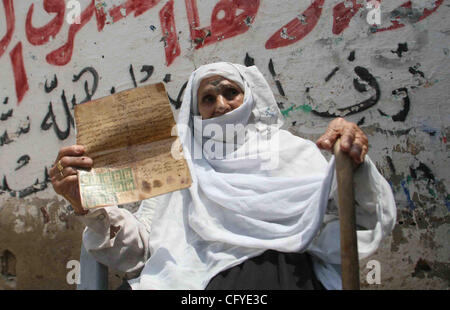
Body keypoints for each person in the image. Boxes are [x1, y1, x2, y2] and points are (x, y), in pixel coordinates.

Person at [50, 62, 396, 290]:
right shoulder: (179, 165)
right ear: (194, 112)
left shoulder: (292, 153)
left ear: (249, 99)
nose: (220, 105)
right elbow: (138, 254)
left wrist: (354, 163)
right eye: (208, 98)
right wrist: (91, 209)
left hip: (272, 277)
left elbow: (358, 222)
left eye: (231, 92)